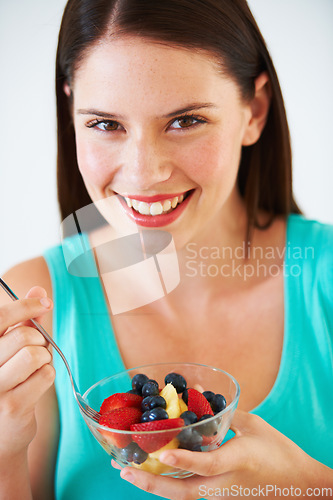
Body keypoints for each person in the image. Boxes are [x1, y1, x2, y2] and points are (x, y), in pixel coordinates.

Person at [0, 0, 332, 498]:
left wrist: (311, 488)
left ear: (254, 113)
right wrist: (4, 450)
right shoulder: (34, 307)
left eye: (186, 120)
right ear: (71, 113)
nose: (144, 173)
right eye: (106, 125)